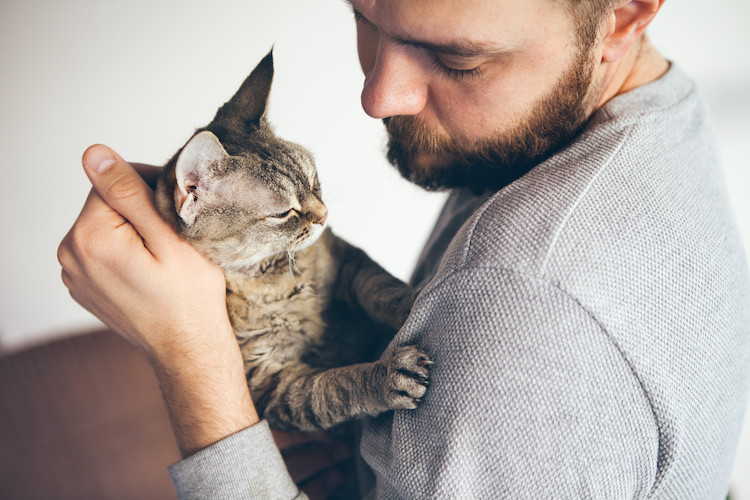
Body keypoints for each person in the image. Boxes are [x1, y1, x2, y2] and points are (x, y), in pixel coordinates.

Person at [58, 0, 750, 497]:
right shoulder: (653, 121)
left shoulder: (528, 314)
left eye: (458, 57)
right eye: (364, 17)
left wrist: (188, 355)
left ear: (626, 15)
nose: (379, 96)